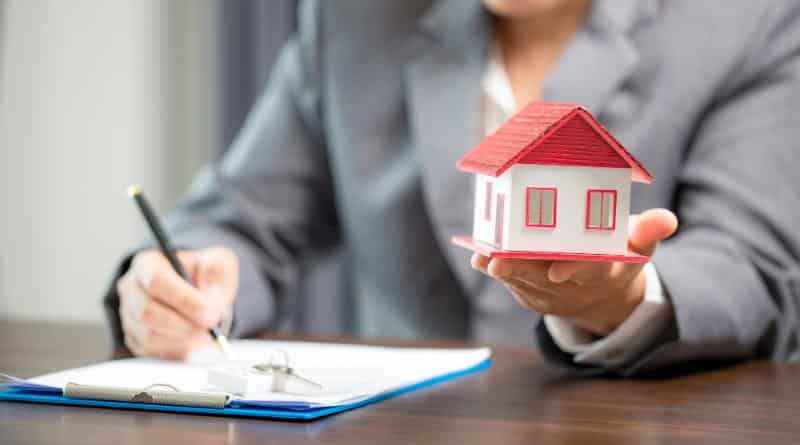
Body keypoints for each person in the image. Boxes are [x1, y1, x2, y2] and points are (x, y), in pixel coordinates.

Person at [106, 0, 800, 375]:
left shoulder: (748, 18)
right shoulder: (353, 17)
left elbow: (751, 265)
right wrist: (187, 276)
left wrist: (625, 300)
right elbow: (239, 218)